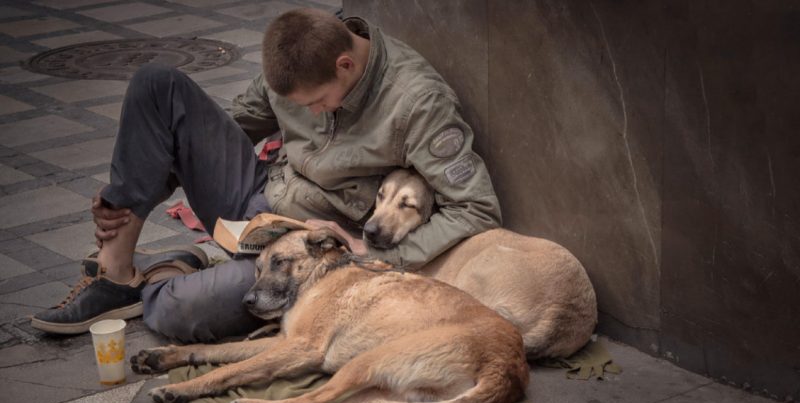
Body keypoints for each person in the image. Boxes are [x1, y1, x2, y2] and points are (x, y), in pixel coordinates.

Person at [30, 8, 501, 342]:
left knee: (183, 313)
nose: (309, 113)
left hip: (311, 246)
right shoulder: (303, 58)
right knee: (156, 84)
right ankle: (116, 276)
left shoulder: (418, 102)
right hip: (260, 197)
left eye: (316, 103)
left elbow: (477, 207)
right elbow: (228, 127)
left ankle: (171, 274)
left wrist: (370, 254)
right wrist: (136, 183)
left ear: (346, 64)